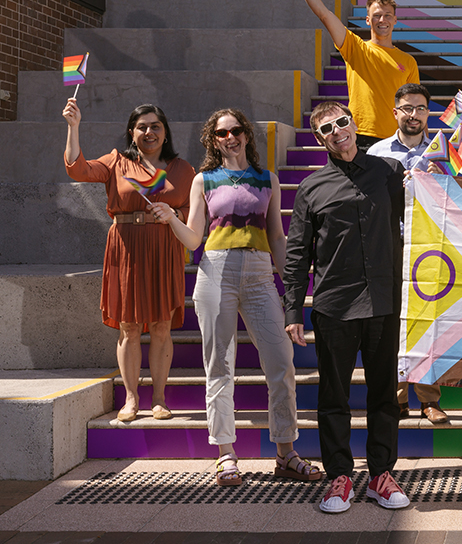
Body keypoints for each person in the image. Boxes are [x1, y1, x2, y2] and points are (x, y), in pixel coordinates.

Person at [147, 109, 322, 486]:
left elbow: (277, 236)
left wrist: (293, 284)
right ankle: (226, 453)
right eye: (222, 132)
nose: (231, 137)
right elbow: (194, 238)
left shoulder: (268, 179)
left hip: (260, 274)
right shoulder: (204, 180)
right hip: (215, 271)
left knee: (281, 362)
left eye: (237, 130)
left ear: (247, 135)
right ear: (213, 140)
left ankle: (286, 453)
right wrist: (170, 219)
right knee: (219, 367)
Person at [283, 102, 409, 514]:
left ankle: (380, 476)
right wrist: (291, 313)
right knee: (333, 397)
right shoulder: (311, 188)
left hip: (384, 302)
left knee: (383, 396)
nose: (338, 132)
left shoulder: (389, 173)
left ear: (354, 124)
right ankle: (338, 475)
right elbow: (297, 254)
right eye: (326, 129)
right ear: (319, 140)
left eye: (342, 123)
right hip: (335, 304)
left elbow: (425, 211)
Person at [63, 101, 195, 423]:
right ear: (132, 133)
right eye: (142, 127)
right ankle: (132, 398)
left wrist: (174, 214)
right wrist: (74, 127)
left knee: (162, 326)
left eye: (155, 127)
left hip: (164, 250)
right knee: (129, 327)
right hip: (126, 249)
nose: (149, 132)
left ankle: (160, 400)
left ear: (165, 133)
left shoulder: (182, 169)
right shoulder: (117, 162)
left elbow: (192, 216)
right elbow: (77, 169)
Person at [366, 82, 450, 424]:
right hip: (391, 244)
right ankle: (397, 398)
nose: (413, 115)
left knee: (429, 322)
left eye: (420, 109)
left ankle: (429, 399)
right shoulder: (376, 152)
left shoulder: (444, 149)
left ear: (427, 113)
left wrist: (442, 178)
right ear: (395, 112)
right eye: (407, 108)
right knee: (394, 323)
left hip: (433, 247)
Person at [283, 0, 420, 152]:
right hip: (360, 136)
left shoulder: (408, 61)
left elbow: (415, 107)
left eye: (388, 15)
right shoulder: (355, 47)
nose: (383, 20)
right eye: (377, 15)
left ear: (395, 20)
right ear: (367, 20)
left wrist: (423, 143)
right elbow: (324, 14)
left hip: (396, 140)